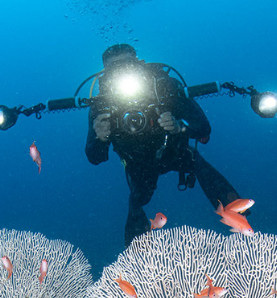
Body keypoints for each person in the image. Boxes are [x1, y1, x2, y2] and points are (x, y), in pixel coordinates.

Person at [86, 44, 243, 245]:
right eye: (114, 70)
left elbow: (204, 130)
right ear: (105, 75)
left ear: (139, 64)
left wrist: (180, 128)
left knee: (200, 166)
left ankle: (242, 221)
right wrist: (101, 138)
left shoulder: (165, 87)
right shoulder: (101, 106)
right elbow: (94, 158)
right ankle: (136, 259)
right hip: (138, 167)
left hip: (176, 152)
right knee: (136, 201)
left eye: (127, 65)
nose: (122, 73)